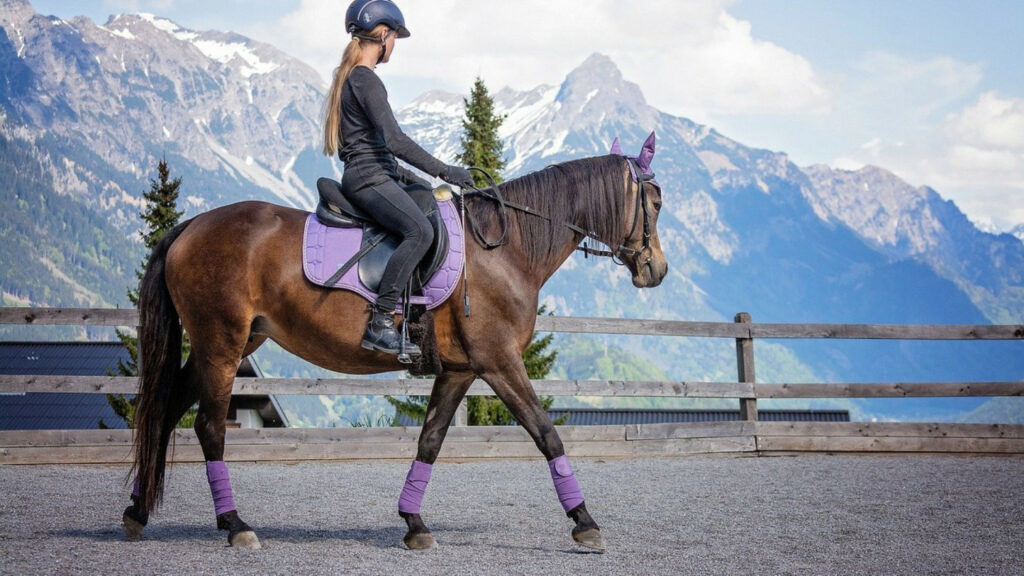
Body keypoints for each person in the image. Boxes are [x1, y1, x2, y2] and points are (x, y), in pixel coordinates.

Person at [322, 0, 474, 358]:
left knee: (426, 200)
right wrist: (445, 170)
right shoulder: (365, 79)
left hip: (373, 173)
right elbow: (394, 141)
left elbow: (378, 149)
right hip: (367, 179)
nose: (395, 46)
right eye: (395, 38)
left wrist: (420, 181)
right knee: (419, 231)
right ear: (384, 35)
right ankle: (380, 321)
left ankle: (417, 312)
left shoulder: (353, 78)